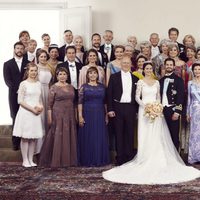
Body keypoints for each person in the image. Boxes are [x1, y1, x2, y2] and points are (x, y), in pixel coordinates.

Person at [103, 61, 200, 184]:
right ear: (144, 70)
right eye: (147, 68)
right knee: (146, 134)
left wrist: (164, 108)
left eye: (150, 68)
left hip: (164, 110)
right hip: (147, 111)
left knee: (167, 135)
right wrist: (147, 107)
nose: (149, 70)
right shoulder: (148, 81)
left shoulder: (170, 81)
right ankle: (144, 157)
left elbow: (177, 96)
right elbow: (137, 97)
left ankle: (171, 159)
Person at [39, 67, 77, 168]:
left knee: (68, 135)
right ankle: (56, 160)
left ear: (67, 76)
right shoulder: (53, 87)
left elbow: (74, 102)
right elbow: (49, 105)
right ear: (57, 76)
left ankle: (68, 160)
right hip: (58, 114)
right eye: (60, 74)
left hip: (69, 114)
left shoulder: (71, 87)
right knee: (57, 135)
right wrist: (50, 117)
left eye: (64, 74)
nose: (62, 76)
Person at [107, 56, 138, 165]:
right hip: (117, 107)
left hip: (130, 107)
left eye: (127, 63)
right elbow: (109, 93)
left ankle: (129, 156)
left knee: (130, 132)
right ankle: (120, 157)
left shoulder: (135, 79)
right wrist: (110, 109)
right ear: (120, 64)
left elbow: (138, 96)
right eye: (123, 63)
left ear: (131, 64)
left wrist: (137, 111)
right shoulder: (114, 77)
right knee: (119, 132)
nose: (125, 64)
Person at [13, 63, 43, 167]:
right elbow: (20, 101)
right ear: (28, 71)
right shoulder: (23, 84)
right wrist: (32, 110)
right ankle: (25, 160)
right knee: (25, 137)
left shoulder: (38, 84)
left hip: (36, 113)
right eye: (32, 71)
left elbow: (39, 99)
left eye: (35, 71)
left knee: (33, 137)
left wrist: (41, 107)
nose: (34, 73)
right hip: (26, 112)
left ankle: (31, 159)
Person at [78, 67, 109, 167]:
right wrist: (80, 116)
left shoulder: (102, 87)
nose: (92, 75)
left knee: (98, 136)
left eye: (94, 73)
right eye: (90, 73)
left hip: (100, 114)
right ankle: (87, 159)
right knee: (88, 136)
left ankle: (99, 158)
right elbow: (79, 102)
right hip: (87, 113)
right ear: (87, 75)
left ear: (97, 75)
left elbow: (105, 102)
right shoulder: (84, 87)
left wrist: (106, 115)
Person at [3, 41, 30, 150]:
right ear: (14, 50)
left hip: (27, 95)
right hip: (13, 95)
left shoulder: (28, 63)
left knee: (26, 117)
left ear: (24, 50)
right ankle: (15, 143)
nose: (19, 50)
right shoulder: (7, 64)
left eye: (21, 48)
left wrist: (25, 90)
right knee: (15, 117)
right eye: (17, 48)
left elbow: (30, 77)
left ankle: (26, 140)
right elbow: (7, 80)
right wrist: (18, 90)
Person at [160, 58, 185, 150]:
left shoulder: (179, 80)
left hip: (173, 110)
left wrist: (177, 111)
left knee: (174, 134)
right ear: (164, 66)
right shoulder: (161, 80)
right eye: (167, 64)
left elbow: (181, 97)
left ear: (174, 66)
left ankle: (176, 158)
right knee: (164, 135)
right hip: (162, 110)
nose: (169, 66)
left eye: (171, 65)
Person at [36, 49, 54, 153]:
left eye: (44, 56)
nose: (43, 58)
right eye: (41, 56)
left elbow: (51, 82)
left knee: (48, 118)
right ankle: (39, 148)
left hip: (48, 91)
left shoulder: (49, 68)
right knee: (41, 119)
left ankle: (47, 147)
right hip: (39, 92)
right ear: (38, 57)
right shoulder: (35, 68)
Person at [187, 62, 200, 164]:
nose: (197, 71)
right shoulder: (190, 83)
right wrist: (188, 113)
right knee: (194, 134)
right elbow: (188, 100)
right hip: (194, 111)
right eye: (195, 69)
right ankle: (194, 157)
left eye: (199, 69)